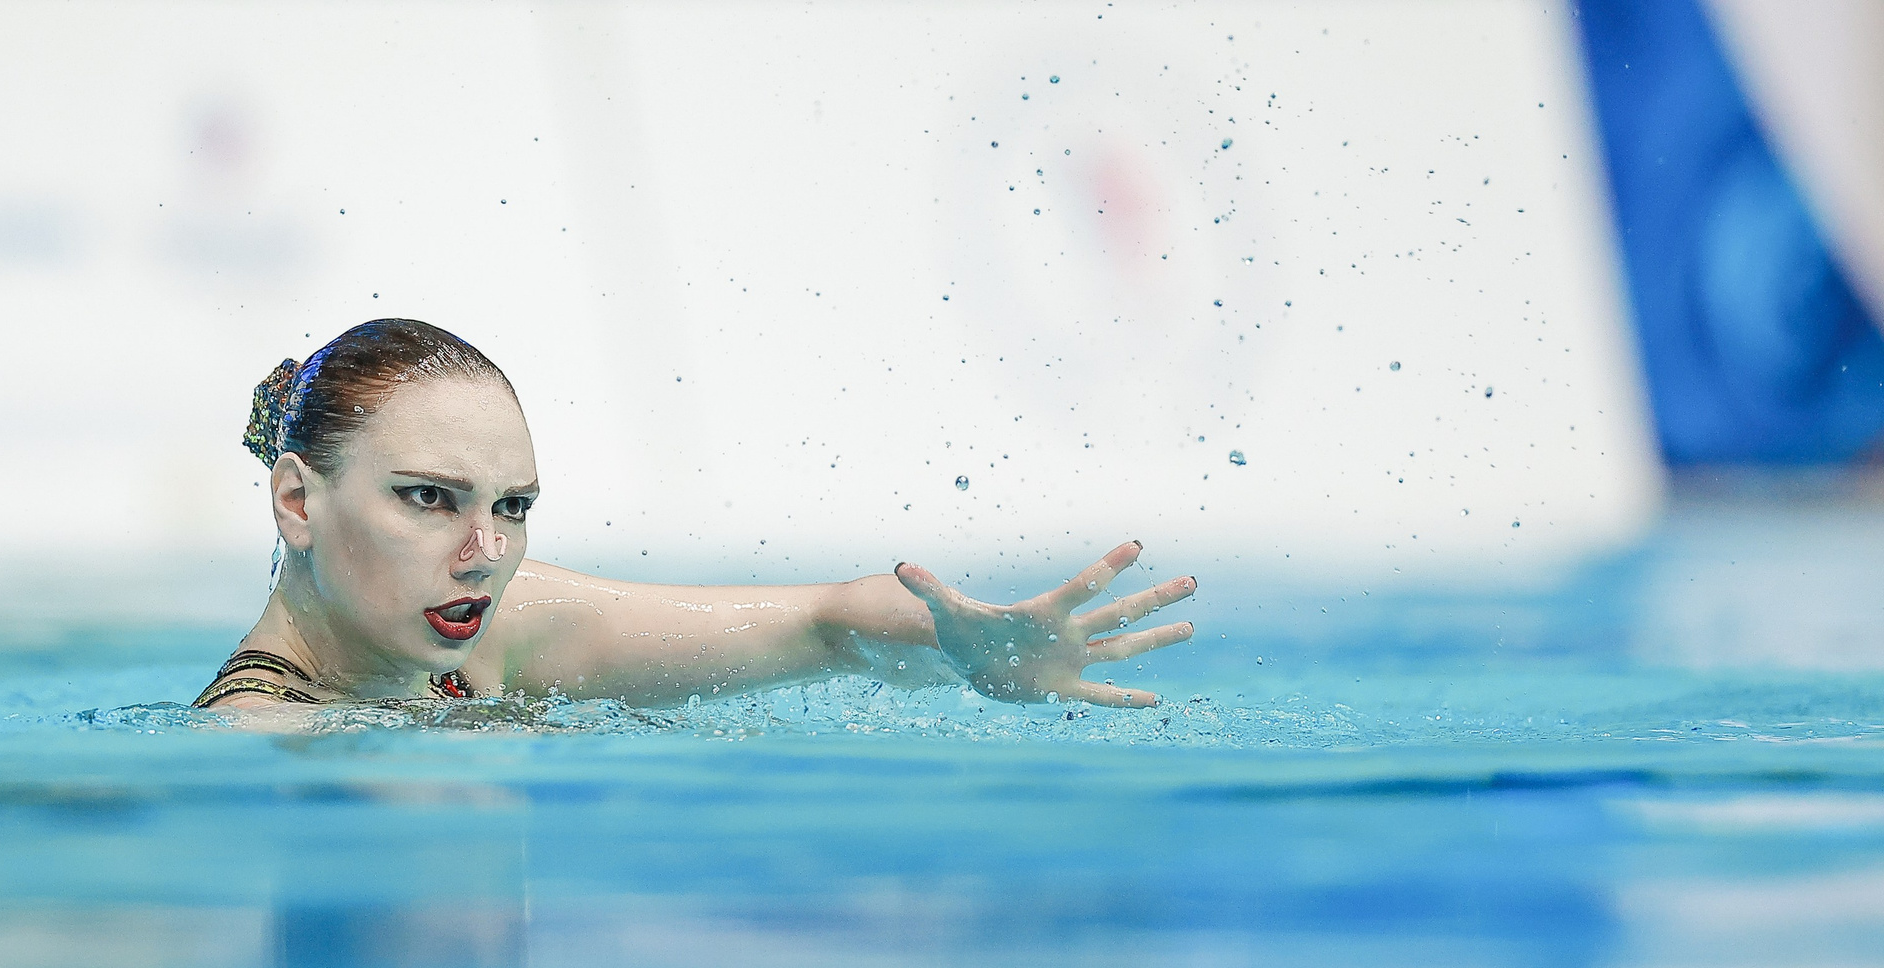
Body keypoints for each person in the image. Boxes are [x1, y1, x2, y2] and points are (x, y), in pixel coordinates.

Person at [192, 318, 1198, 715]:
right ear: (296, 501)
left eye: (512, 508)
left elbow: (824, 622)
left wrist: (966, 644)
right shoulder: (257, 739)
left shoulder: (494, 633)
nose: (483, 553)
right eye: (428, 499)